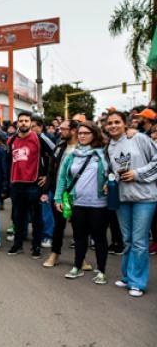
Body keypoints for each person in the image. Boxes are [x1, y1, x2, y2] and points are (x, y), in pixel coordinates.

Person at [106, 111, 157, 297]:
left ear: (125, 123)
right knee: (127, 240)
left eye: (117, 122)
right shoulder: (110, 146)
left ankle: (137, 283)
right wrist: (109, 183)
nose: (113, 126)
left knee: (139, 242)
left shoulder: (140, 138)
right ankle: (128, 276)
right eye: (109, 123)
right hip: (123, 198)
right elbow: (113, 171)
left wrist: (137, 174)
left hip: (145, 197)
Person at [55, 122, 109, 284]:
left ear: (95, 134)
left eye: (87, 133)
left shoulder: (103, 154)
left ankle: (101, 270)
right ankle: (77, 267)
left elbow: (113, 173)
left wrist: (109, 181)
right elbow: (62, 178)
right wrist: (58, 198)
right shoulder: (72, 155)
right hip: (77, 203)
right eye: (80, 133)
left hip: (99, 204)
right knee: (79, 237)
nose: (82, 136)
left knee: (99, 238)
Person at [6, 111, 53, 259]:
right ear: (17, 123)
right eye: (21, 121)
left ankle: (36, 246)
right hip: (17, 184)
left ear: (30, 123)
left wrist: (46, 175)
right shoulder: (11, 140)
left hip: (33, 184)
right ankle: (18, 244)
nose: (24, 123)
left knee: (36, 217)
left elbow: (53, 155)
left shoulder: (38, 139)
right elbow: (9, 160)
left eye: (27, 121)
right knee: (18, 217)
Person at [43, 120, 79, 268]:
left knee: (79, 227)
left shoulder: (85, 148)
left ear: (74, 130)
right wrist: (45, 190)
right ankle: (55, 254)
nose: (60, 131)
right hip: (60, 193)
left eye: (64, 129)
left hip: (79, 194)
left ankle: (80, 258)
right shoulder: (59, 146)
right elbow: (51, 170)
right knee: (59, 226)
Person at [31, 116, 56, 249]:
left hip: (44, 181)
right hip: (31, 180)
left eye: (33, 126)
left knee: (45, 208)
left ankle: (48, 236)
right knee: (36, 210)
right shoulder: (27, 138)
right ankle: (39, 234)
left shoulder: (45, 138)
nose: (31, 129)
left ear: (40, 127)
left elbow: (56, 156)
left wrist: (47, 176)